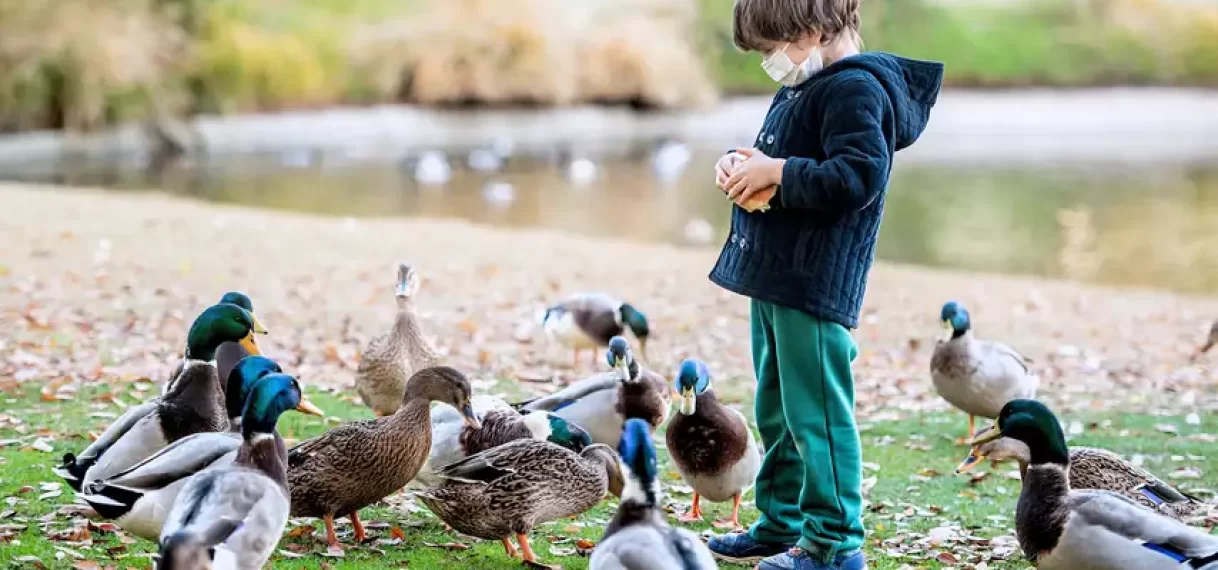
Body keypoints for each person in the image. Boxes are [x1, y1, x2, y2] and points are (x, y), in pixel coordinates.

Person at [707, 1, 944, 569]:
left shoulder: (855, 90)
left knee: (817, 415)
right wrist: (743, 165)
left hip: (813, 283)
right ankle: (782, 521)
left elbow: (857, 176)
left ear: (810, 32)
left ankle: (835, 544)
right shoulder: (806, 82)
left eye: (770, 49)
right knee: (778, 408)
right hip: (776, 275)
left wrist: (779, 174)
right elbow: (788, 157)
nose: (768, 62)